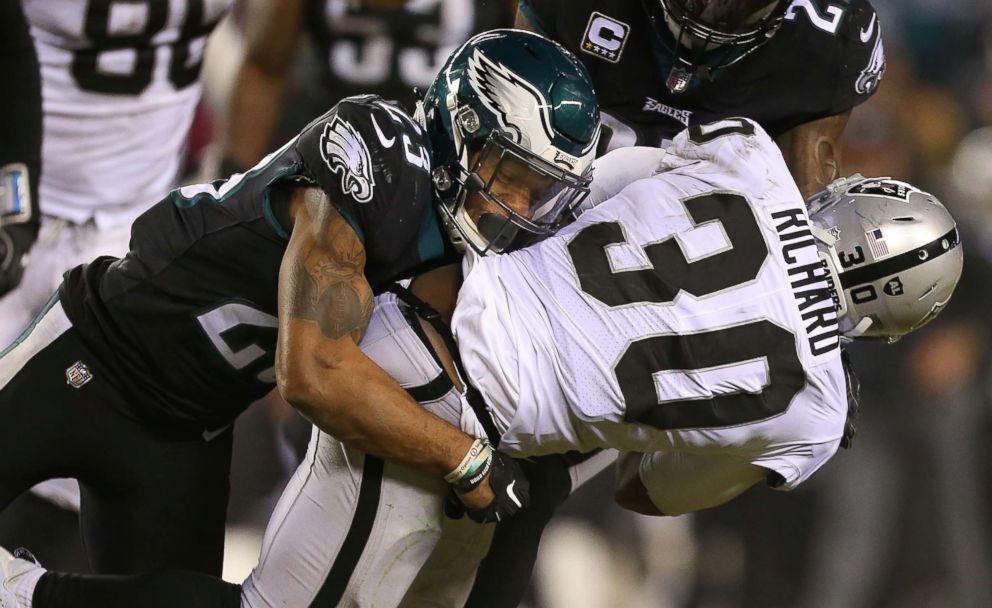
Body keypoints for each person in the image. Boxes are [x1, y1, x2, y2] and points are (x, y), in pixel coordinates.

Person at [0, 120, 964, 607]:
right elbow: (648, 495)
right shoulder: (816, 415)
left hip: (429, 324)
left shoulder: (750, 155)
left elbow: (592, 190)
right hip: (453, 414)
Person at [0, 28, 600, 582]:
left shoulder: (465, 247)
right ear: (461, 125)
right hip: (95, 354)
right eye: (509, 174)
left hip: (189, 429)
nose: (517, 205)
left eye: (540, 191)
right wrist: (464, 458)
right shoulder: (382, 152)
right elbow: (312, 372)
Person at [515, 0, 887, 198]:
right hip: (549, 211)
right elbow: (512, 119)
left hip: (704, 274)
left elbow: (805, 219)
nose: (714, 7)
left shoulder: (829, 42)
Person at [220, 0, 516, 175]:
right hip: (337, 157)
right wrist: (234, 176)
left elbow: (527, 63)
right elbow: (264, 68)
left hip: (458, 162)